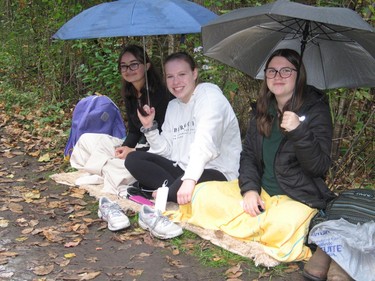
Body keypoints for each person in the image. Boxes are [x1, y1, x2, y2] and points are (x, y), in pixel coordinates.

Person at [169, 48, 336, 264]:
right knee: (201, 194)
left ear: (299, 74)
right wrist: (249, 190)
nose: (278, 77)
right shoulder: (262, 109)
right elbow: (248, 156)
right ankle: (256, 224)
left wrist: (299, 131)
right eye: (272, 71)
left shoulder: (316, 110)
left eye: (286, 71)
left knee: (285, 223)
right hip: (261, 191)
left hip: (296, 196)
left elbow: (319, 167)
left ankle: (263, 225)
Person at [125, 51, 242, 204]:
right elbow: (165, 150)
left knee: (177, 190)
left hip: (216, 171)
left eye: (182, 74)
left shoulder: (210, 98)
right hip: (182, 169)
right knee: (132, 159)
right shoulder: (174, 106)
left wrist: (189, 179)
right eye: (170, 76)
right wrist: (149, 128)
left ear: (194, 73)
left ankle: (164, 191)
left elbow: (205, 144)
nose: (176, 82)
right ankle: (168, 191)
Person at [70, 44, 170, 194]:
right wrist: (124, 148)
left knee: (126, 166)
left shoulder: (162, 95)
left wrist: (133, 151)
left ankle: (100, 173)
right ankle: (103, 172)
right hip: (137, 146)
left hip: (154, 150)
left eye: (134, 65)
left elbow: (162, 142)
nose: (128, 70)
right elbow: (134, 131)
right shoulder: (130, 94)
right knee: (86, 140)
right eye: (124, 66)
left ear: (147, 65)